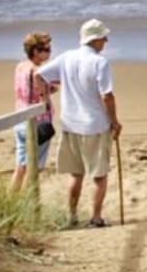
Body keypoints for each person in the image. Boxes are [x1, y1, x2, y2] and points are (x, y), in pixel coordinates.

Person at [36, 18, 122, 227]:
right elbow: (107, 96)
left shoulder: (67, 57)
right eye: (103, 37)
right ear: (95, 40)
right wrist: (115, 122)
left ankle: (72, 216)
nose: (106, 40)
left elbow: (40, 76)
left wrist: (45, 100)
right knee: (99, 175)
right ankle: (96, 218)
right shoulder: (100, 62)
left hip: (70, 124)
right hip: (94, 125)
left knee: (76, 174)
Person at [10, 31, 57, 192]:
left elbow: (28, 90)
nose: (49, 52)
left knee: (21, 166)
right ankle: (28, 202)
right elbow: (44, 90)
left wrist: (46, 90)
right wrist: (46, 97)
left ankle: (12, 200)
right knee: (34, 167)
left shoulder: (20, 66)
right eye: (46, 49)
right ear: (36, 51)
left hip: (20, 117)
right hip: (38, 122)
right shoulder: (39, 71)